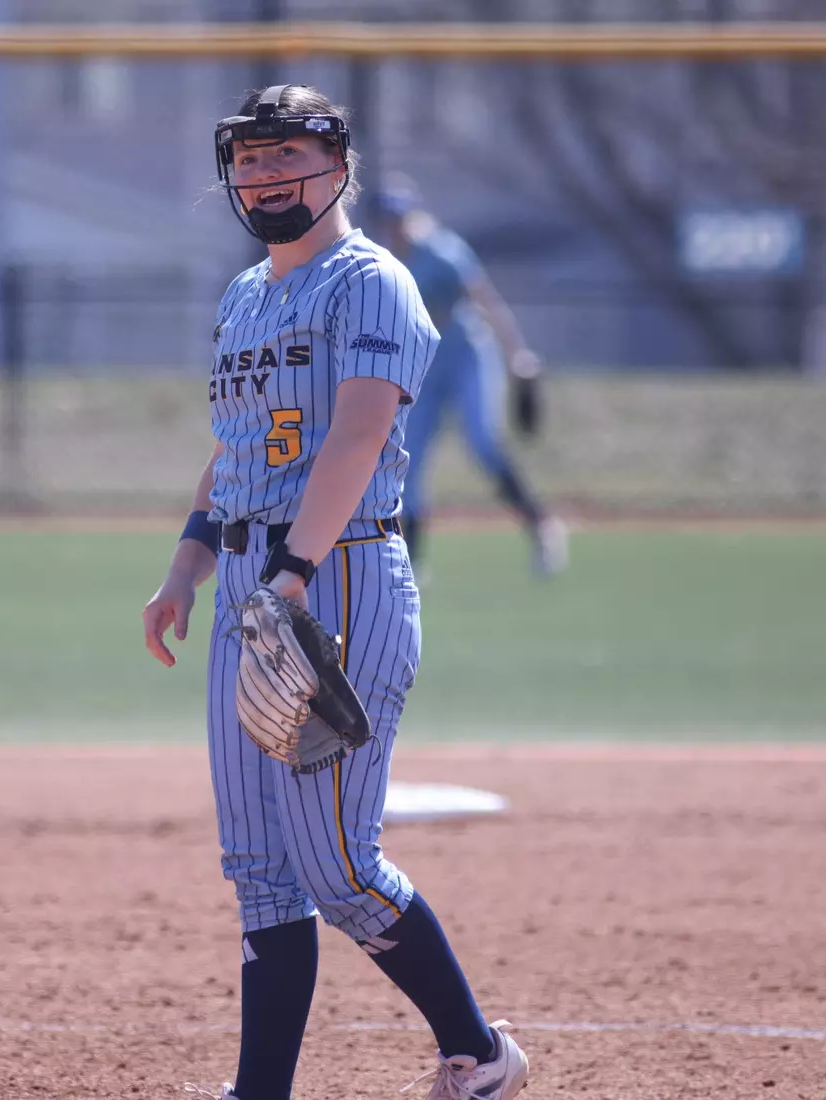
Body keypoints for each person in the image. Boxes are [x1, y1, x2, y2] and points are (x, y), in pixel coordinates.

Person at [142, 85, 530, 1100]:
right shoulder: (243, 296)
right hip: (249, 580)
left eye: (287, 157)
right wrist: (189, 562)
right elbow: (233, 451)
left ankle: (480, 1054)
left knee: (339, 867)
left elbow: (358, 435)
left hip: (337, 573)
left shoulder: (371, 281)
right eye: (250, 159)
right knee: (261, 866)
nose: (265, 176)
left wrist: (293, 574)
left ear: (337, 167)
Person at [366, 173, 568, 578]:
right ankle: (412, 563)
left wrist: (518, 354)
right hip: (423, 367)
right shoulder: (380, 259)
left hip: (466, 357)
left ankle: (542, 527)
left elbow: (486, 301)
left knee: (481, 441)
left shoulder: (441, 251)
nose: (395, 225)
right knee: (409, 461)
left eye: (399, 216)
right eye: (387, 219)